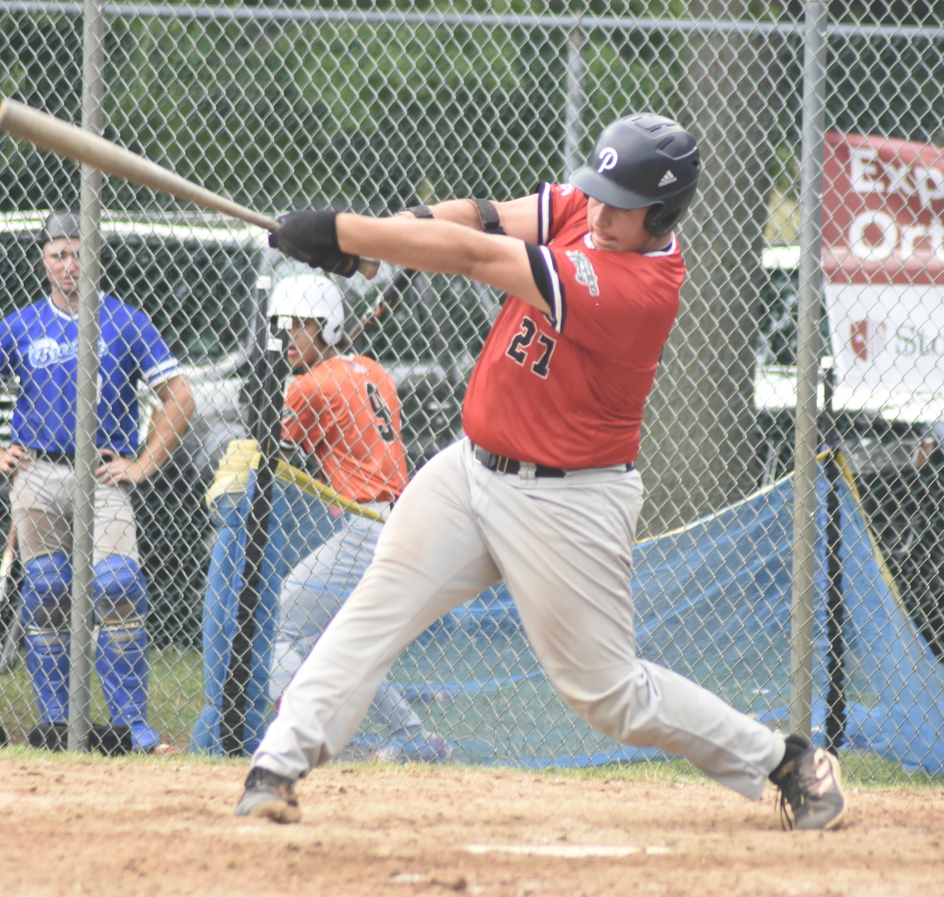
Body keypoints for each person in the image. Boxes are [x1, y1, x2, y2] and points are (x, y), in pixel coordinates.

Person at [235, 114, 846, 830]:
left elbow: (472, 255)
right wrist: (379, 240)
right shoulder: (591, 213)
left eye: (622, 204)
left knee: (610, 695)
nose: (600, 211)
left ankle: (785, 762)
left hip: (568, 502)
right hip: (470, 473)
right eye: (598, 192)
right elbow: (484, 217)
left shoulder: (638, 289)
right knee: (377, 604)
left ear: (664, 213)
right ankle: (277, 765)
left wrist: (345, 233)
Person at [0, 210, 197, 754]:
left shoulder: (126, 321)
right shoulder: (20, 325)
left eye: (78, 252)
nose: (69, 264)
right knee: (47, 593)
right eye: (58, 254)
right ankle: (60, 725)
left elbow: (180, 397)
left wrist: (143, 464)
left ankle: (133, 725)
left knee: (116, 586)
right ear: (43, 260)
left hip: (101, 473)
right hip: (37, 473)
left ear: (96, 257)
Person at [266, 273, 449, 762]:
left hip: (365, 526)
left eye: (302, 327)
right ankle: (415, 739)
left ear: (328, 328)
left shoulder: (308, 386)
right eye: (284, 327)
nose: (289, 338)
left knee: (280, 621)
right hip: (404, 521)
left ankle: (290, 734)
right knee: (341, 639)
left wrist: (277, 399)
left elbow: (278, 447)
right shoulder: (373, 369)